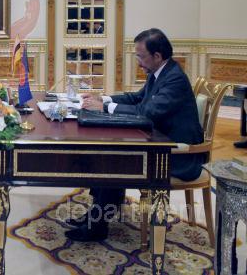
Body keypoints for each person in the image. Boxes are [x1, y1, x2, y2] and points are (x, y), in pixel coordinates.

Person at [65, 28, 203, 242]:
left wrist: (104, 108)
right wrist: (104, 99)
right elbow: (137, 98)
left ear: (157, 56)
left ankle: (98, 224)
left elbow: (147, 112)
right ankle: (99, 213)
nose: (138, 62)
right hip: (160, 142)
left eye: (140, 56)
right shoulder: (161, 72)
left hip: (177, 155)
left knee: (116, 158)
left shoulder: (174, 79)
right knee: (109, 151)